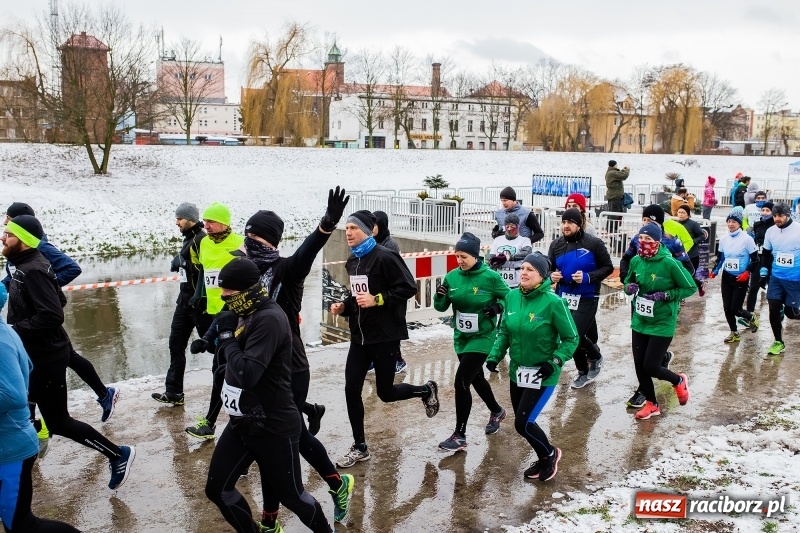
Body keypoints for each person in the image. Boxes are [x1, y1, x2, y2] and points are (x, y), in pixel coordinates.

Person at [238, 189, 355, 528]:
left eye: (256, 237)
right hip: (259, 367)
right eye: (247, 236)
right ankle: (336, 484)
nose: (249, 242)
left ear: (271, 241)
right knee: (282, 440)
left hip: (290, 368)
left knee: (277, 443)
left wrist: (326, 225)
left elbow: (306, 253)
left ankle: (271, 520)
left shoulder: (286, 271)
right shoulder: (247, 272)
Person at [2, 215, 134, 490]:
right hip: (37, 354)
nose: (3, 237)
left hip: (46, 357)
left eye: (9, 234)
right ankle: (26, 462)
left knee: (59, 422)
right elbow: (58, 298)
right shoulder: (25, 265)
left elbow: (52, 314)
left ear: (24, 240)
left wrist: (15, 329)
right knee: (26, 408)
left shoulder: (33, 269)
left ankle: (118, 454)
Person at [204, 258, 334, 533]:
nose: (224, 297)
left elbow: (248, 373)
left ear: (247, 291)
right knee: (217, 489)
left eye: (229, 293)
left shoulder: (269, 318)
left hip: (274, 425)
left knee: (292, 497)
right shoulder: (244, 309)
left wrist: (227, 338)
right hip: (243, 421)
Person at [329, 210, 440, 468]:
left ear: (368, 231)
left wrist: (377, 299)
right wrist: (344, 307)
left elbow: (408, 287)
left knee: (386, 393)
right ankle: (360, 446)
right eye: (347, 228)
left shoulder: (385, 256)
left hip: (385, 337)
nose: (348, 233)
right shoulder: (352, 261)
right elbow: (357, 295)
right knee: (351, 389)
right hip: (359, 338)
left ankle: (426, 390)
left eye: (354, 228)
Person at [3, 202, 117, 428]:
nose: (5, 222)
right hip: (34, 319)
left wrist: (47, 289)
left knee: (63, 360)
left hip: (40, 320)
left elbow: (72, 268)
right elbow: (15, 277)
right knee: (59, 361)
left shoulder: (38, 247)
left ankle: (102, 396)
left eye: (8, 218)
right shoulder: (14, 247)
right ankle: (35, 422)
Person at [486, 252, 578, 482]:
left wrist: (555, 361)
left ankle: (550, 455)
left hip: (543, 373)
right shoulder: (512, 297)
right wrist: (494, 356)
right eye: (522, 268)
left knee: (523, 423)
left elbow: (571, 338)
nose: (523, 273)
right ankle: (544, 456)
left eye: (530, 269)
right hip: (518, 372)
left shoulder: (554, 302)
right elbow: (504, 331)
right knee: (525, 422)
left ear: (542, 275)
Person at [0, 284, 80, 533]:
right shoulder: (7, 331)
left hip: (11, 449)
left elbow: (14, 397)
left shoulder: (1, 340)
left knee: (21, 526)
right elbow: (29, 368)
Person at [433, 232, 509, 452]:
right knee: (475, 378)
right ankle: (497, 411)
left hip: (483, 336)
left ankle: (460, 435)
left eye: (464, 256)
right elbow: (440, 307)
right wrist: (440, 295)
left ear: (476, 255)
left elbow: (510, 297)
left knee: (461, 382)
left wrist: (498, 307)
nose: (460, 260)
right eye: (457, 256)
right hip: (462, 337)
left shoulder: (490, 277)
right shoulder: (452, 277)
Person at [623, 224, 695, 420]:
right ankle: (652, 404)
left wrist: (666, 295)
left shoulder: (670, 263)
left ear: (657, 241)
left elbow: (690, 287)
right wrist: (629, 287)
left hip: (662, 321)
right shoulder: (636, 260)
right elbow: (627, 282)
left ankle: (678, 380)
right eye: (641, 238)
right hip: (640, 319)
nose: (643, 242)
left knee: (651, 366)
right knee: (639, 366)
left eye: (648, 239)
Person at [185, 202, 245, 440]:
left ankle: (210, 423)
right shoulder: (203, 243)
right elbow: (204, 271)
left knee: (222, 369)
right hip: (214, 315)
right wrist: (198, 295)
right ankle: (306, 409)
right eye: (205, 221)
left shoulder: (239, 243)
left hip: (236, 316)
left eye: (211, 221)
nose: (206, 225)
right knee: (225, 369)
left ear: (224, 222)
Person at [152, 202, 212, 406]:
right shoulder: (189, 238)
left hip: (199, 305)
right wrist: (180, 261)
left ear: (191, 219)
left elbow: (206, 270)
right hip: (183, 303)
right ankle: (174, 391)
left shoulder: (201, 239)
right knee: (175, 344)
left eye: (180, 219)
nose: (176, 222)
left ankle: (234, 382)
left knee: (214, 347)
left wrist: (185, 264)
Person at [548, 209, 614, 389]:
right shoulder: (556, 245)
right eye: (563, 222)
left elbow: (608, 267)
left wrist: (588, 277)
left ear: (579, 224)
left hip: (587, 296)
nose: (566, 225)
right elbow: (548, 268)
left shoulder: (593, 243)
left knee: (573, 335)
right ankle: (591, 360)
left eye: (570, 222)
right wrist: (551, 276)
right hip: (563, 297)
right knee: (573, 334)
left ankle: (588, 365)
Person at [708, 210, 759, 343]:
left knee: (735, 309)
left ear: (739, 223)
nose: (731, 224)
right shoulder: (724, 239)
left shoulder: (747, 239)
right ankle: (734, 332)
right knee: (726, 307)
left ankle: (751, 317)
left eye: (734, 222)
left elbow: (755, 260)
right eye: (729, 221)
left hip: (741, 278)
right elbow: (720, 258)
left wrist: (747, 272)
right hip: (727, 277)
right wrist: (715, 271)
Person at [759, 203, 800, 356]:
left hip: (795, 279)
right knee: (773, 307)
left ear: (787, 215)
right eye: (775, 215)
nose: (777, 219)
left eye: (780, 216)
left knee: (791, 313)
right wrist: (763, 272)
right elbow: (765, 253)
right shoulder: (771, 231)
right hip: (776, 278)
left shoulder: (798, 229)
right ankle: (778, 342)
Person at [619, 204, 695, 283]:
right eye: (644, 220)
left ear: (659, 222)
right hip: (641, 286)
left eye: (650, 220)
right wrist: (625, 277)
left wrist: (672, 284)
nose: (646, 223)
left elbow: (689, 269)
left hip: (664, 287)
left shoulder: (673, 241)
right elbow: (625, 259)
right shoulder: (637, 238)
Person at [371, 210, 407, 373]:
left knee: (391, 331)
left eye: (375, 225)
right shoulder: (373, 241)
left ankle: (398, 360)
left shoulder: (390, 244)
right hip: (379, 294)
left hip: (391, 294)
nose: (372, 228)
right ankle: (377, 360)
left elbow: (391, 270)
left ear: (382, 225)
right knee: (379, 329)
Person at [743, 200, 775, 319]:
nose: (765, 212)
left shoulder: (776, 226)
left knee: (772, 288)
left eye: (768, 210)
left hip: (772, 259)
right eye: (763, 210)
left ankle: (777, 312)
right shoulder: (757, 224)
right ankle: (749, 314)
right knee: (753, 287)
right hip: (759, 258)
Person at [487, 213, 532, 289]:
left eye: (512, 226)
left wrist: (508, 257)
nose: (509, 229)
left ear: (518, 226)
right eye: (507, 226)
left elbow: (526, 253)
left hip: (517, 280)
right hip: (499, 280)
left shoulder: (525, 240)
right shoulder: (498, 240)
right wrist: (495, 262)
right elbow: (491, 259)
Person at [675, 205, 707, 297]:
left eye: (683, 213)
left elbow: (702, 236)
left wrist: (693, 241)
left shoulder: (693, 224)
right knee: (679, 276)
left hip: (692, 255)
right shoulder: (675, 225)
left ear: (688, 214)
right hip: (679, 255)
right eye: (679, 212)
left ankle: (699, 284)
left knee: (689, 276)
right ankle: (681, 298)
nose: (680, 214)